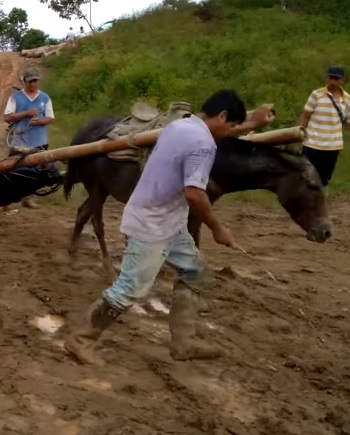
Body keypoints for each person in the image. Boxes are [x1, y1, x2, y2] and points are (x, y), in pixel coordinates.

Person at [63, 90, 272, 366]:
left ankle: (183, 343)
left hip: (168, 223)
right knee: (129, 288)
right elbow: (195, 195)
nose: (231, 132)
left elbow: (221, 130)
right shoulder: (203, 145)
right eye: (231, 126)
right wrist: (218, 229)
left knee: (193, 270)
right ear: (221, 116)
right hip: (152, 226)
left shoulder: (179, 125)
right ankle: (80, 340)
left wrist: (252, 123)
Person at [298, 65, 350, 190]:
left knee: (324, 179)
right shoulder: (317, 95)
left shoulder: (347, 99)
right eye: (331, 78)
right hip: (312, 143)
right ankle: (304, 203)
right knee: (306, 175)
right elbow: (305, 115)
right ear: (326, 78)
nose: (333, 81)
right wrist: (299, 132)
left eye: (336, 79)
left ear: (342, 80)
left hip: (333, 145)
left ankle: (319, 203)